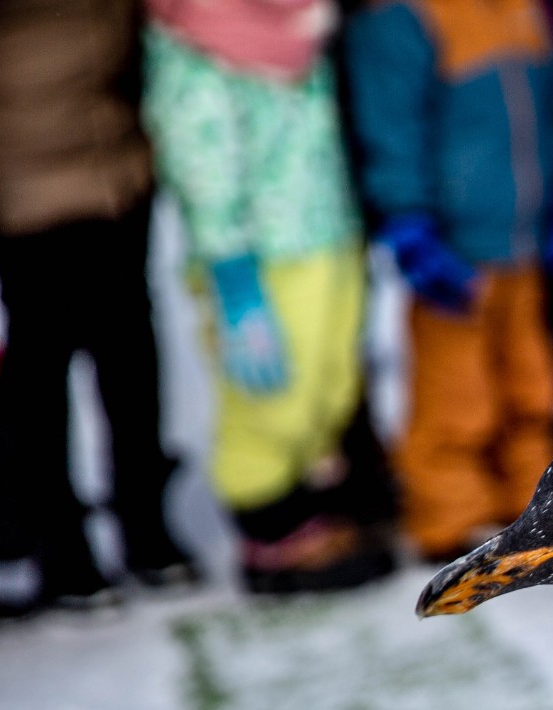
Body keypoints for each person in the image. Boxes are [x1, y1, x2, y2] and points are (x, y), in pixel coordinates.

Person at [143, 0, 394, 594]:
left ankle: (310, 504)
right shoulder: (198, 46)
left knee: (326, 381)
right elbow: (202, 162)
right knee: (270, 390)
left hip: (323, 233)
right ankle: (270, 528)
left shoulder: (301, 30)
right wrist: (232, 277)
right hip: (260, 257)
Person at [345, 0, 553, 561]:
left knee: (532, 385)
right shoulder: (405, 19)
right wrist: (409, 221)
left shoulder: (524, 12)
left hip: (528, 242)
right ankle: (448, 516)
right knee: (454, 395)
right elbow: (392, 131)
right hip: (456, 253)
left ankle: (532, 501)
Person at [0, 0, 196, 618]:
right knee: (42, 356)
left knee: (129, 345)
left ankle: (146, 527)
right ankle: (61, 547)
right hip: (26, 181)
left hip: (117, 165)